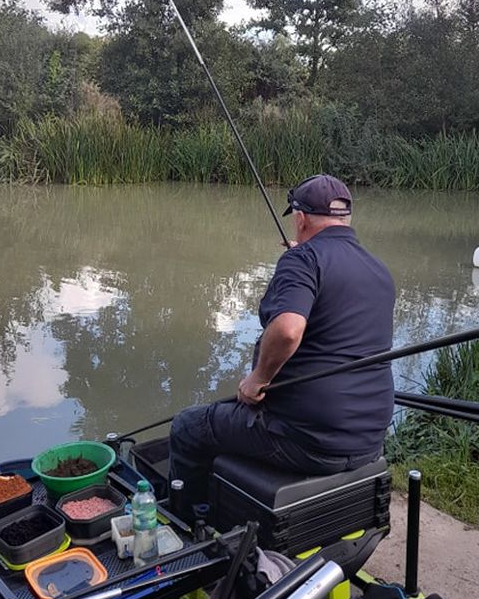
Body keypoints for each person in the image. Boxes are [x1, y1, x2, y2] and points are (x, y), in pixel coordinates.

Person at [168, 174, 396, 510]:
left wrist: (257, 380)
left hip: (307, 438)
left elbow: (289, 329)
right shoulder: (379, 270)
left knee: (188, 426)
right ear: (345, 218)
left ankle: (185, 526)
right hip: (369, 438)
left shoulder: (301, 261)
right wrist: (306, 256)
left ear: (301, 219)